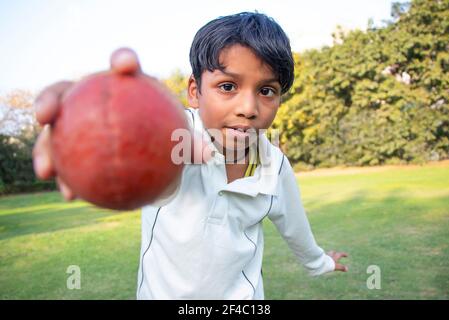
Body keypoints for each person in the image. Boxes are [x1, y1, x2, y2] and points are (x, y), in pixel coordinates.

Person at [33, 12, 348, 300]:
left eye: (267, 91)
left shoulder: (275, 165)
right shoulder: (174, 130)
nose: (249, 109)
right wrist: (83, 116)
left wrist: (321, 263)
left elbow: (295, 228)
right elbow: (136, 128)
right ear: (195, 91)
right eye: (228, 86)